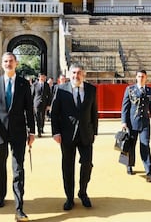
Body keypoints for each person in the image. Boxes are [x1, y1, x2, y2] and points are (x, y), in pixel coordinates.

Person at [0, 52, 35, 222]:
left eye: (11, 61)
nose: (8, 63)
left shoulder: (24, 84)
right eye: (5, 61)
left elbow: (29, 109)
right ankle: (1, 195)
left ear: (16, 63)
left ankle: (19, 207)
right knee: (0, 166)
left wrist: (32, 131)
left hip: (19, 132)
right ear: (1, 64)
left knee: (18, 168)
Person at [50, 63, 98, 211]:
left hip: (86, 134)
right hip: (66, 135)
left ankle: (83, 192)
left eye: (79, 73)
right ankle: (69, 198)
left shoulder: (91, 89)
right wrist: (55, 132)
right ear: (69, 74)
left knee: (87, 164)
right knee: (67, 167)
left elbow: (93, 112)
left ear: (83, 74)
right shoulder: (60, 89)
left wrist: (94, 132)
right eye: (73, 73)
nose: (76, 76)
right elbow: (54, 113)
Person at [121, 70, 151, 183]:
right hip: (132, 123)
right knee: (131, 145)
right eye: (139, 76)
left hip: (145, 123)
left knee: (145, 145)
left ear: (146, 78)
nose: (140, 78)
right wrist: (123, 121)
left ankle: (149, 172)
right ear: (136, 77)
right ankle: (129, 165)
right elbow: (125, 107)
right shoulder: (130, 89)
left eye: (143, 76)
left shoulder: (149, 90)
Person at [32, 72, 50, 137]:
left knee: (42, 116)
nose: (43, 78)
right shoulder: (35, 85)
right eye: (41, 77)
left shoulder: (47, 85)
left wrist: (48, 104)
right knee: (37, 117)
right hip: (36, 103)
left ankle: (42, 128)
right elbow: (32, 95)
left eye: (44, 77)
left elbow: (49, 95)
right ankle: (39, 131)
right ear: (39, 77)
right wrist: (31, 104)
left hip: (44, 103)